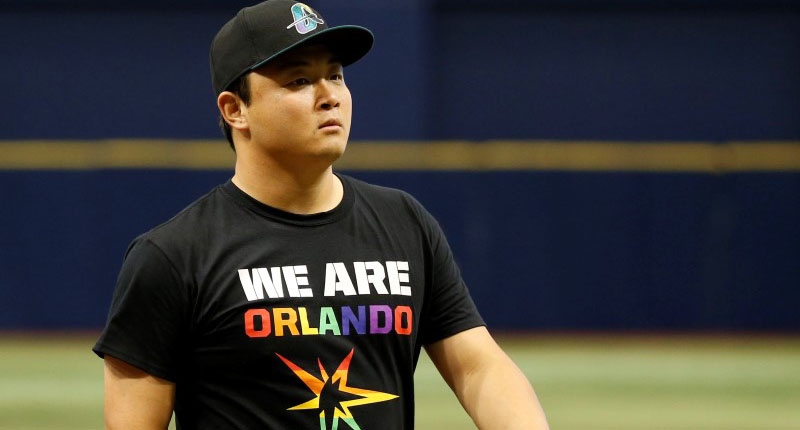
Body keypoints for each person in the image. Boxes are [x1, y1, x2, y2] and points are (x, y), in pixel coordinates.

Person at [93, 1, 549, 429]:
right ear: (235, 110)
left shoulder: (404, 221)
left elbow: (478, 367)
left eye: (336, 76)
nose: (330, 96)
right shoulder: (173, 255)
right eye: (298, 81)